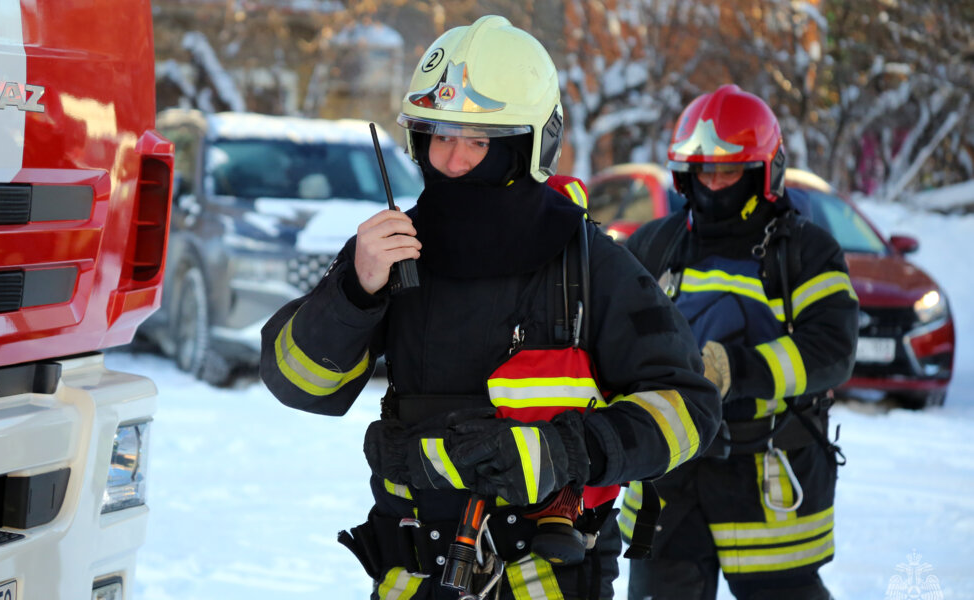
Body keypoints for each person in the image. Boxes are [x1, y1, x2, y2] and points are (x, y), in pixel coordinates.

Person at [260, 15, 720, 600]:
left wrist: (566, 451)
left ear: (528, 146)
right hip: (410, 579)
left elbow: (690, 409)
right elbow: (298, 384)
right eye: (440, 136)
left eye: (478, 141)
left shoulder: (589, 264)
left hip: (546, 580)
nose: (452, 161)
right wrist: (354, 291)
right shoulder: (391, 252)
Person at [620, 84, 860, 600]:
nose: (713, 185)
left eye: (728, 172)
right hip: (670, 478)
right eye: (702, 172)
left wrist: (733, 369)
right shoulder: (654, 244)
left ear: (764, 172)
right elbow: (612, 336)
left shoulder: (806, 252)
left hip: (768, 481)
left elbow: (832, 350)